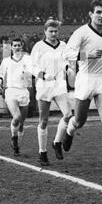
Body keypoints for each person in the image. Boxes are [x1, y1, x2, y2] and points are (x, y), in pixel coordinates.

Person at [62, 0, 102, 179]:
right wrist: (87, 55)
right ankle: (69, 131)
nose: (101, 16)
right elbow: (66, 53)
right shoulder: (81, 33)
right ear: (90, 14)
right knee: (80, 120)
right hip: (86, 80)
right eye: (98, 12)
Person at [30, 19, 74, 166]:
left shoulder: (63, 45)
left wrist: (68, 68)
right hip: (44, 86)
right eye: (51, 31)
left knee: (68, 115)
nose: (54, 34)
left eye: (56, 31)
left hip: (59, 85)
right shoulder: (39, 46)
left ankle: (57, 142)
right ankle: (42, 152)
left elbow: (70, 58)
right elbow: (31, 66)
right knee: (44, 120)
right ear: (45, 32)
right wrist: (42, 74)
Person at [0, 38, 33, 156]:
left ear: (22, 47)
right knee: (16, 117)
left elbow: (33, 69)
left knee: (22, 123)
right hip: (11, 91)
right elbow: (0, 73)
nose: (17, 47)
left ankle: (17, 147)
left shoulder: (27, 59)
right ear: (11, 47)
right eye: (15, 45)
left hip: (23, 91)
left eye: (19, 45)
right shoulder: (6, 61)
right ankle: (13, 137)